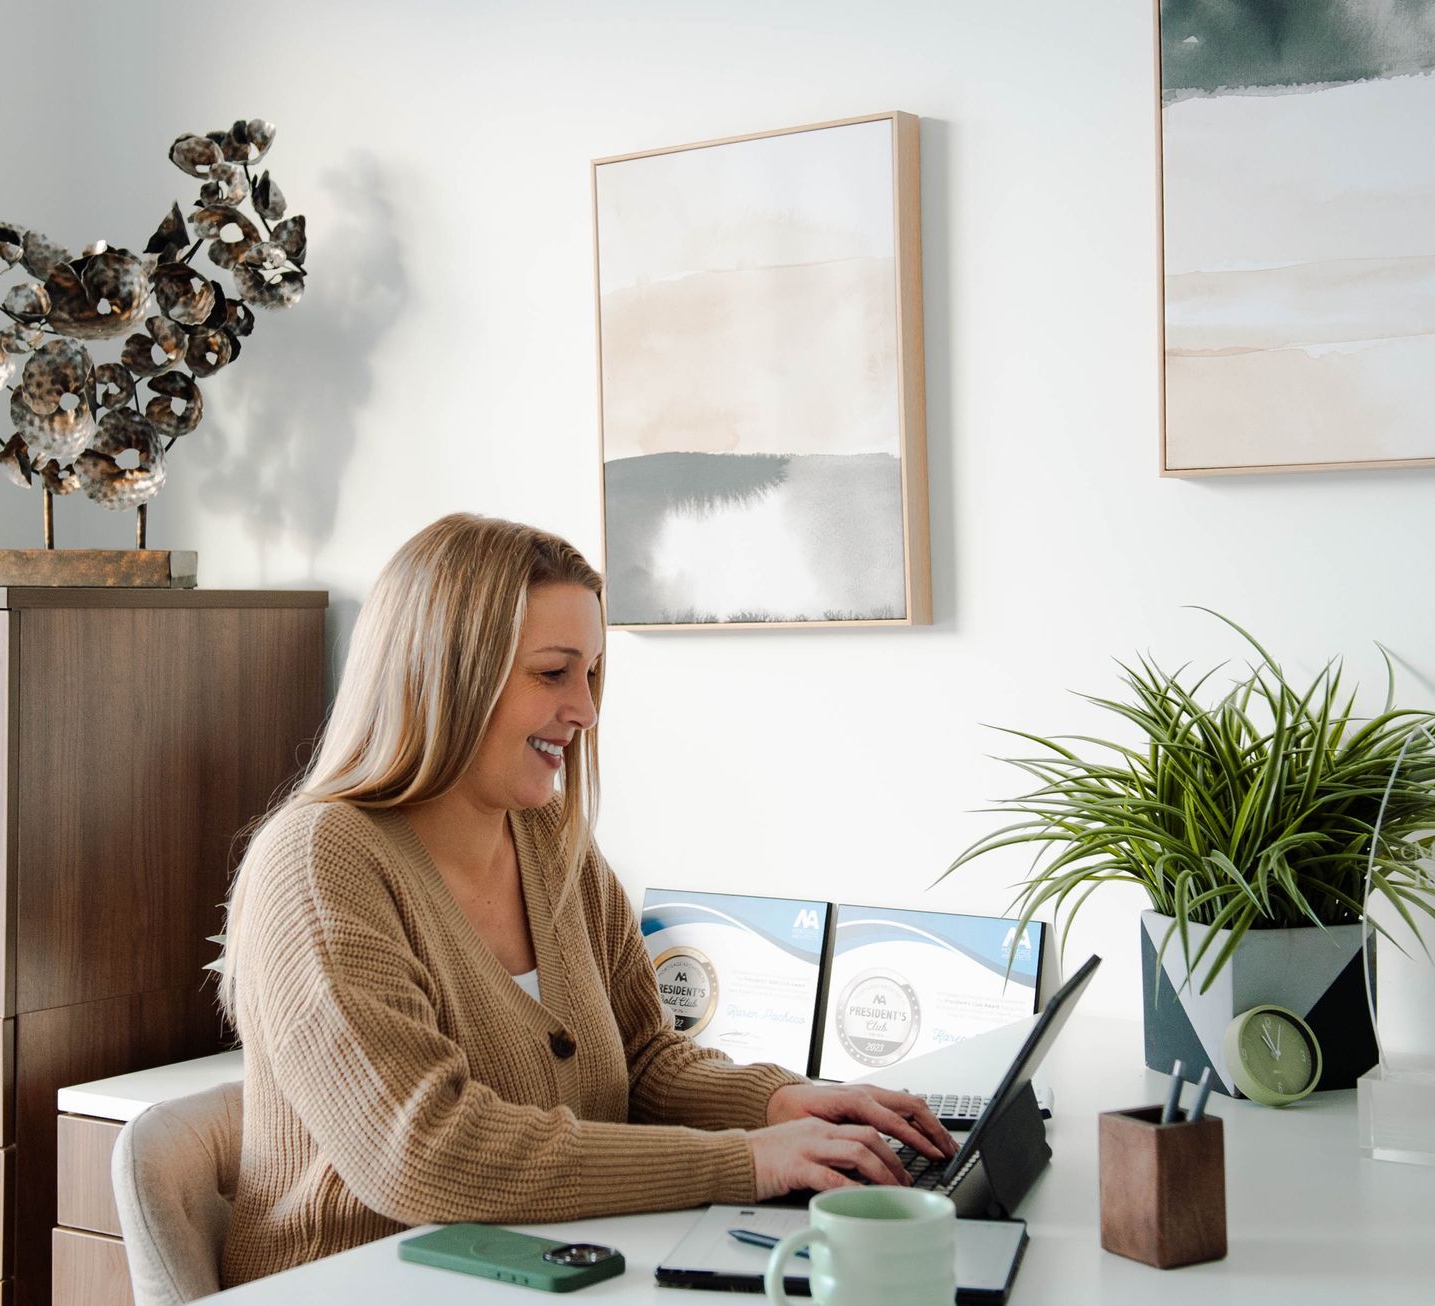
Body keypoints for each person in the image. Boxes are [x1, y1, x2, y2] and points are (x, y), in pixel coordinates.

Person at [217, 514, 956, 1286]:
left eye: (593, 674)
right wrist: (743, 1163)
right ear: (447, 672)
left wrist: (785, 1105)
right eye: (552, 673)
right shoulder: (318, 863)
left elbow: (643, 1061)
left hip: (546, 1273)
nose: (587, 710)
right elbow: (423, 1153)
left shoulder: (548, 841)